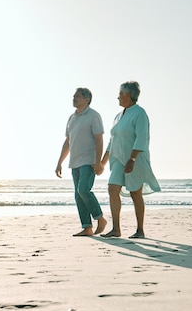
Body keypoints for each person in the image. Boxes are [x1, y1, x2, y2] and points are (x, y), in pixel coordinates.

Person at [101, 81, 160, 238]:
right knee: (112, 189)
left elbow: (142, 138)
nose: (118, 97)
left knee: (135, 193)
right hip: (118, 160)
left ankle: (140, 230)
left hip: (135, 159)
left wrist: (132, 159)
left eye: (120, 94)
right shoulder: (118, 116)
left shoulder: (140, 113)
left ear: (128, 95)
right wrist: (103, 161)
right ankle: (116, 229)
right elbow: (112, 141)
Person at [55, 88, 108, 237]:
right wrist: (60, 162)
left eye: (77, 96)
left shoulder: (93, 115)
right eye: (74, 96)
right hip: (74, 162)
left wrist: (98, 163)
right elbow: (68, 141)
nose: (74, 98)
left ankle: (100, 218)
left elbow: (99, 139)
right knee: (78, 195)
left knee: (83, 190)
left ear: (86, 99)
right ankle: (87, 227)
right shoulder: (72, 118)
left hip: (88, 161)